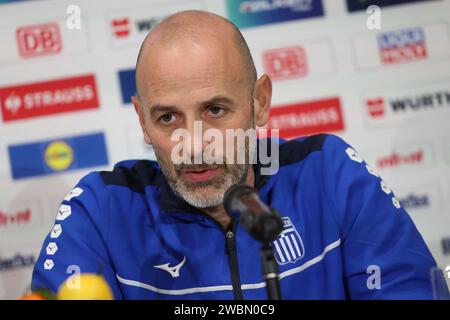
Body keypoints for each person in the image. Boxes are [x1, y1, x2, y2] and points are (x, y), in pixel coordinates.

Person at [32, 10, 439, 299]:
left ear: (259, 102)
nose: (193, 145)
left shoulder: (329, 174)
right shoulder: (102, 210)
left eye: (214, 110)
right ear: (142, 120)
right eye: (168, 117)